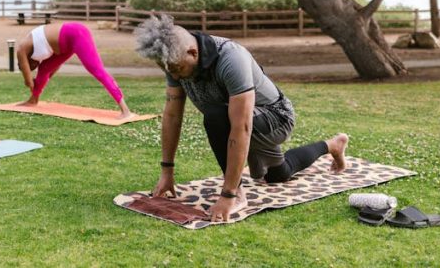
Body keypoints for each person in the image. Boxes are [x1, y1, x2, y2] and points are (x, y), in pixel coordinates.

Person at [133, 14, 349, 222]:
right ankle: (332, 145)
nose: (176, 76)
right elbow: (172, 116)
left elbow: (241, 127)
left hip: (275, 118)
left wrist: (229, 194)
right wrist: (166, 172)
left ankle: (238, 194)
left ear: (193, 53)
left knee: (215, 116)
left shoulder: (231, 58)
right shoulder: (175, 61)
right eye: (169, 71)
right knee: (277, 175)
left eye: (178, 69)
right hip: (243, 120)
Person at [15, 21, 135, 120]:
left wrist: (32, 82)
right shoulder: (34, 51)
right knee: (44, 69)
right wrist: (41, 82)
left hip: (75, 33)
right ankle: (33, 100)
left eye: (32, 67)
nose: (35, 66)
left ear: (26, 62)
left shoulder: (22, 49)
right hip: (63, 46)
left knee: (97, 71)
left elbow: (28, 82)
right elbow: (51, 69)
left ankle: (125, 111)